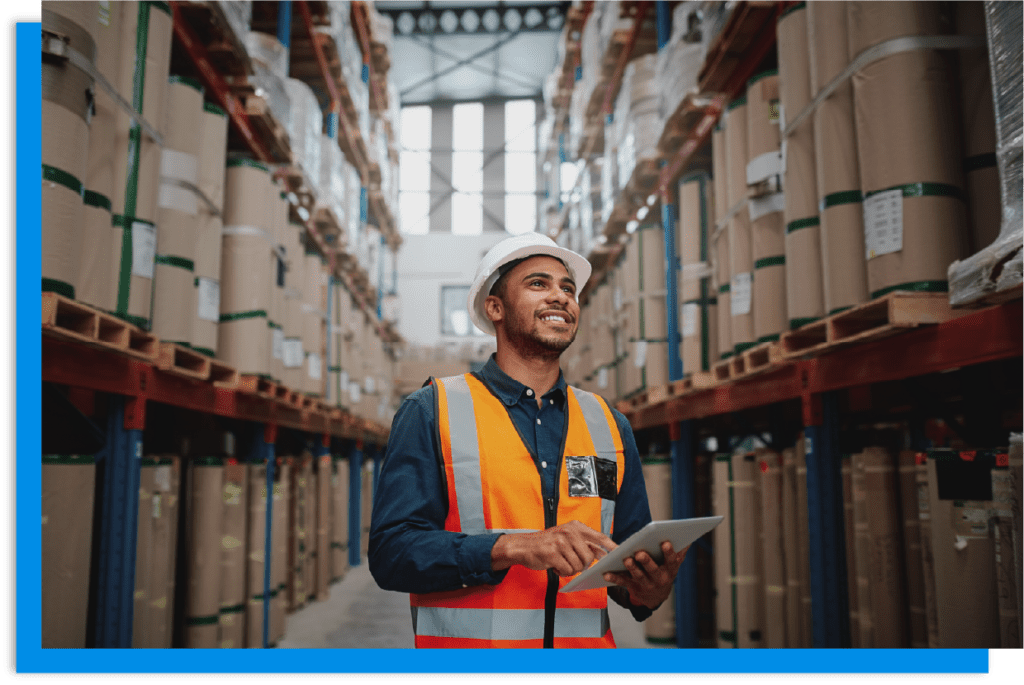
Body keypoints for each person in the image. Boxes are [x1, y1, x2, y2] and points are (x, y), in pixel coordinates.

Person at [369, 232, 688, 648]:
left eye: (568, 288)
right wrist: (510, 547)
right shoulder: (434, 410)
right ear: (495, 307)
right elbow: (392, 554)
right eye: (539, 284)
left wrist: (650, 589)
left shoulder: (607, 424)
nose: (560, 296)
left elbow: (624, 567)